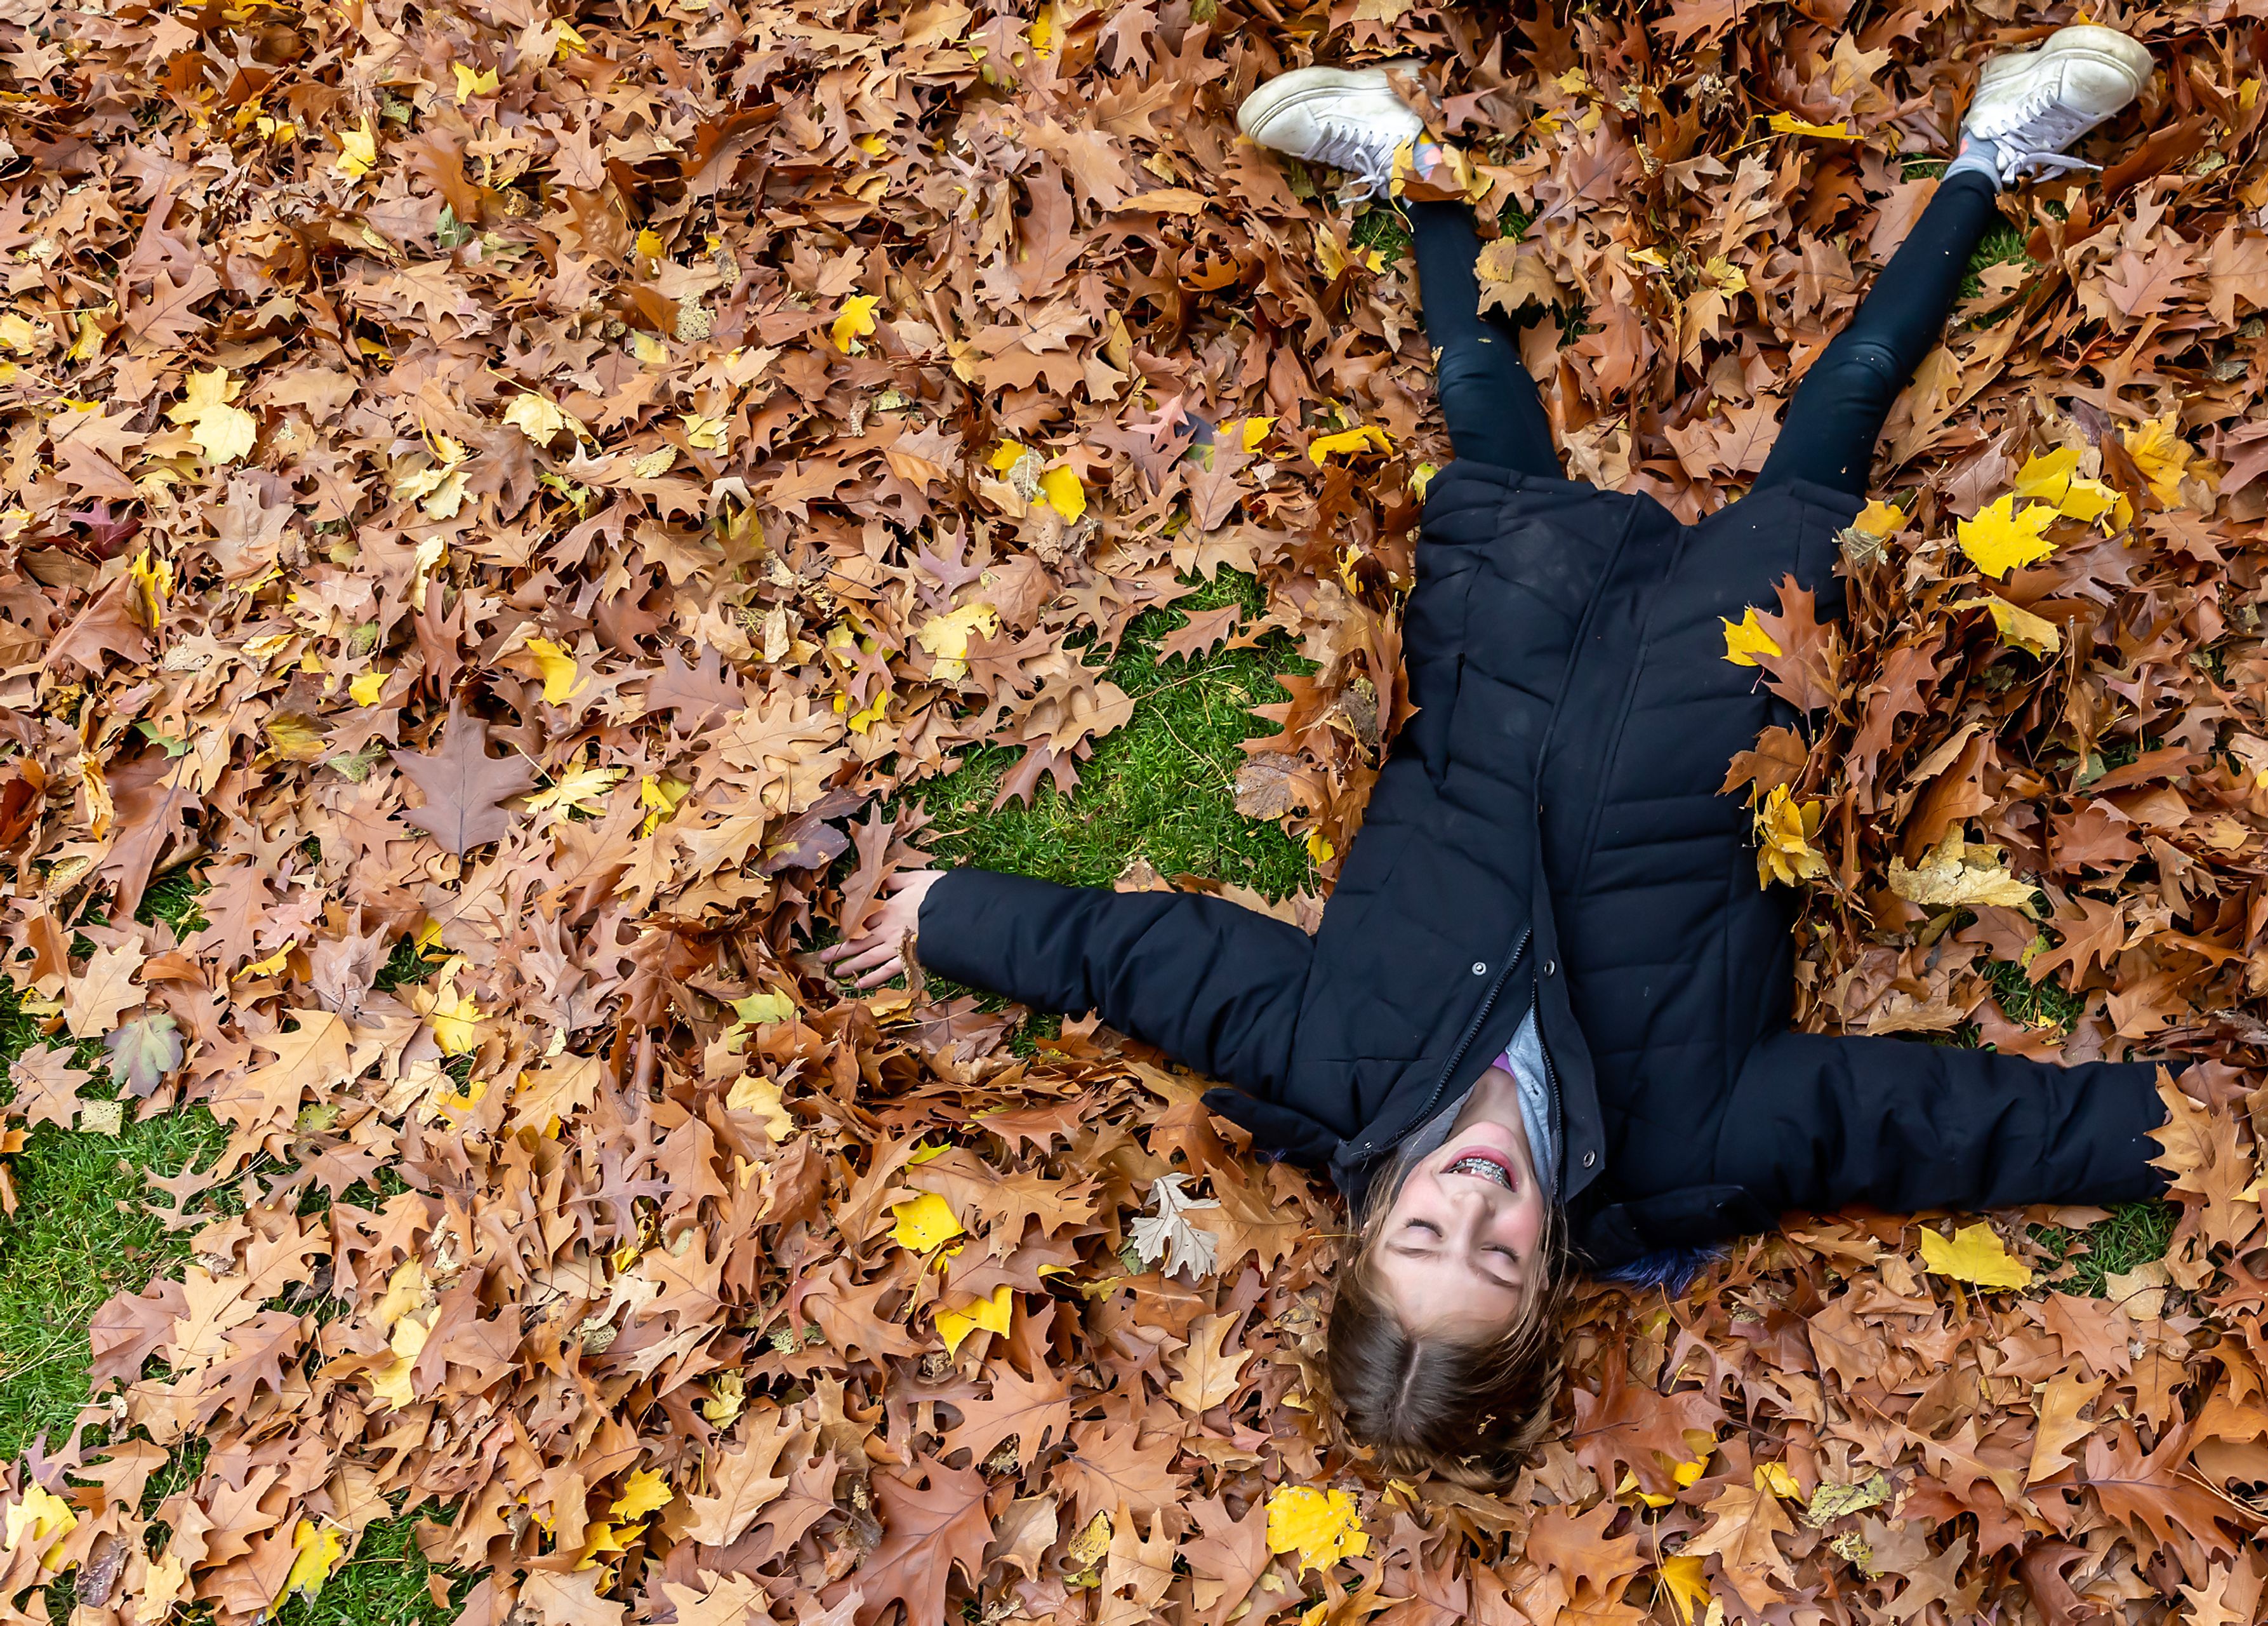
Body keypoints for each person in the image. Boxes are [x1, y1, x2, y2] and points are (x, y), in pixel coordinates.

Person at [824, 26, 2175, 1491]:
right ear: (1545, 1294)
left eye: (1423, 1233)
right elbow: (1934, 1127)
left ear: (1369, 1222)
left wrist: (953, 916)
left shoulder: (1327, 1072)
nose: (1475, 1206)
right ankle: (1992, 151)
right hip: (1719, 679)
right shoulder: (1690, 1154)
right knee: (1839, 418)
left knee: (1483, 424)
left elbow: (1151, 962)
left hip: (1502, 665)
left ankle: (1411, 167)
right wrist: (2205, 1139)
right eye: (1496, 1257)